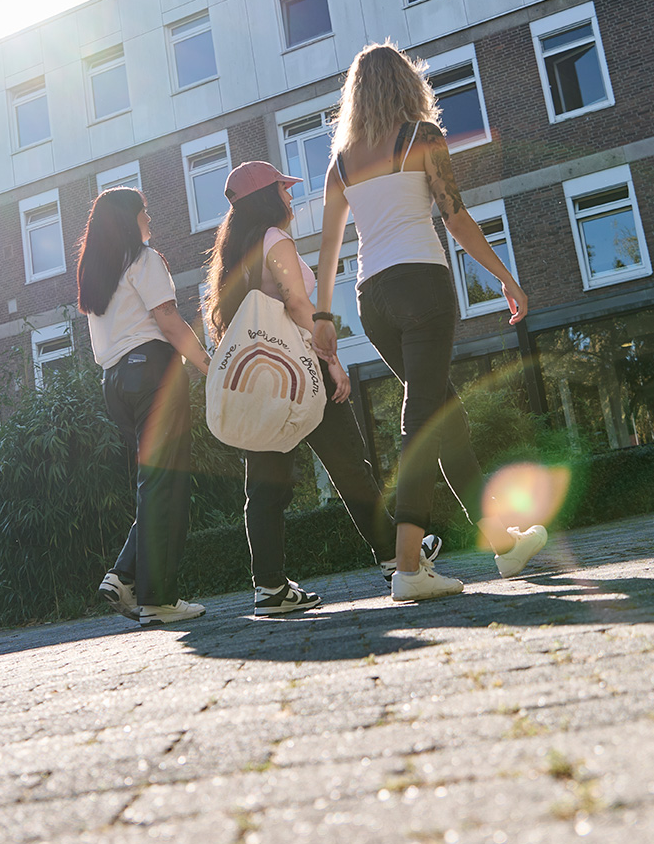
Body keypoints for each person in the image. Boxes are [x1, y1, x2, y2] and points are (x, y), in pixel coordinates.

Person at [315, 42, 550, 602]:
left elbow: (328, 248)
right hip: (422, 285)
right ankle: (408, 568)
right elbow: (456, 217)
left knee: (445, 419)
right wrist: (506, 277)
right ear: (406, 84)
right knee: (422, 419)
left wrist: (324, 315)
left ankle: (503, 543)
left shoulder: (341, 163)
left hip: (371, 299)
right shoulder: (421, 137)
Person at [203, 161, 440, 617]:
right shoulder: (275, 240)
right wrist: (331, 361)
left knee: (265, 488)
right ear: (267, 197)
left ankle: (269, 587)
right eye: (283, 189)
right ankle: (395, 556)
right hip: (301, 369)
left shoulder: (234, 256)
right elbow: (296, 302)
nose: (291, 197)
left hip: (261, 380)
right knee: (349, 465)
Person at [78, 186, 213, 628]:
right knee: (166, 486)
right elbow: (169, 321)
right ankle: (158, 599)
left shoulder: (98, 273)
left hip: (115, 382)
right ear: (128, 219)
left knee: (154, 483)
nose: (149, 220)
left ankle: (125, 574)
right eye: (144, 212)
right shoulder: (143, 259)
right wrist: (208, 365)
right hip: (152, 372)